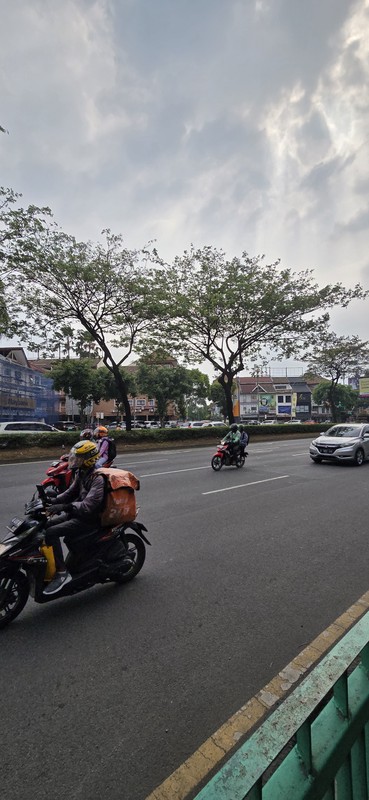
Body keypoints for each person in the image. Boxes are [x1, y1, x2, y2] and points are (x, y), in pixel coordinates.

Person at [43, 440, 105, 595]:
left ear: (89, 459)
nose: (74, 460)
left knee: (50, 533)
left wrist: (64, 507)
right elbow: (70, 493)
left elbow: (88, 506)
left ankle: (62, 571)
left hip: (88, 519)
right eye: (74, 457)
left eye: (79, 457)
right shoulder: (80, 472)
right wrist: (52, 501)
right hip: (77, 513)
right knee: (44, 526)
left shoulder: (97, 477)